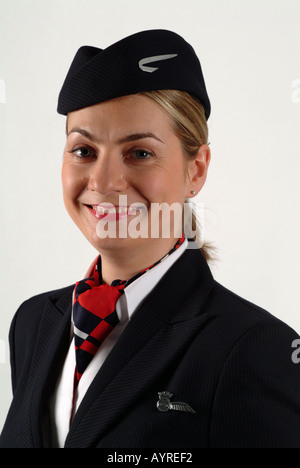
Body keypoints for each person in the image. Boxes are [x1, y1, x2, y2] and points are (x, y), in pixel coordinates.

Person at [1, 29, 299, 449]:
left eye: (139, 152)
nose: (103, 182)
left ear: (195, 170)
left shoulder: (255, 348)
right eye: (83, 150)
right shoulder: (32, 323)